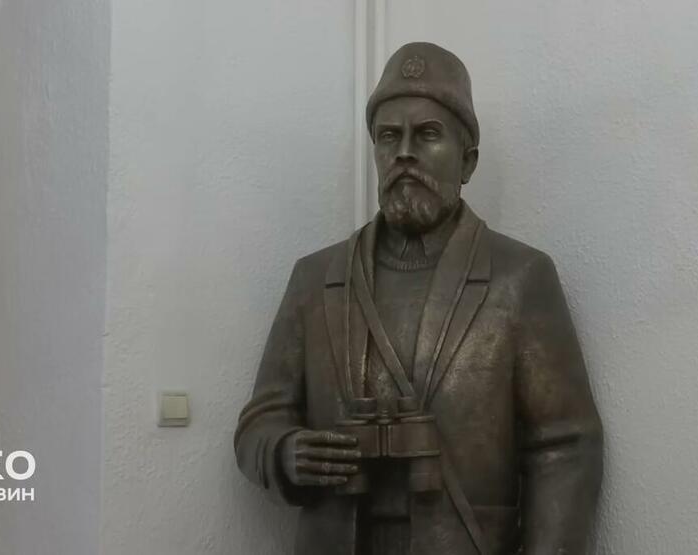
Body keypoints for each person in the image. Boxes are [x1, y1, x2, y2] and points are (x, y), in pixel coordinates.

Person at [235, 42, 603, 555]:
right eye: (389, 136)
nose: (404, 152)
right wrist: (283, 452)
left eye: (427, 134)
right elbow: (259, 421)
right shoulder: (314, 280)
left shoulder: (520, 278)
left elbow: (564, 445)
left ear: (467, 161)